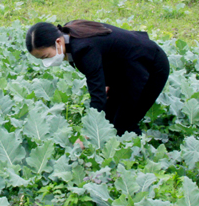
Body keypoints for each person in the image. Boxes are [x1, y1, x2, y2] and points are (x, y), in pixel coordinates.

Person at [25, 20, 170, 136]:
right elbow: (106, 54)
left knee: (122, 125)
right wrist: (108, 84)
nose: (47, 62)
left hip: (151, 66)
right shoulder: (69, 33)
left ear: (58, 42)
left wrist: (89, 132)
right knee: (108, 119)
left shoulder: (82, 49)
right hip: (126, 69)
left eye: (46, 56)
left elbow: (98, 96)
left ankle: (140, 159)